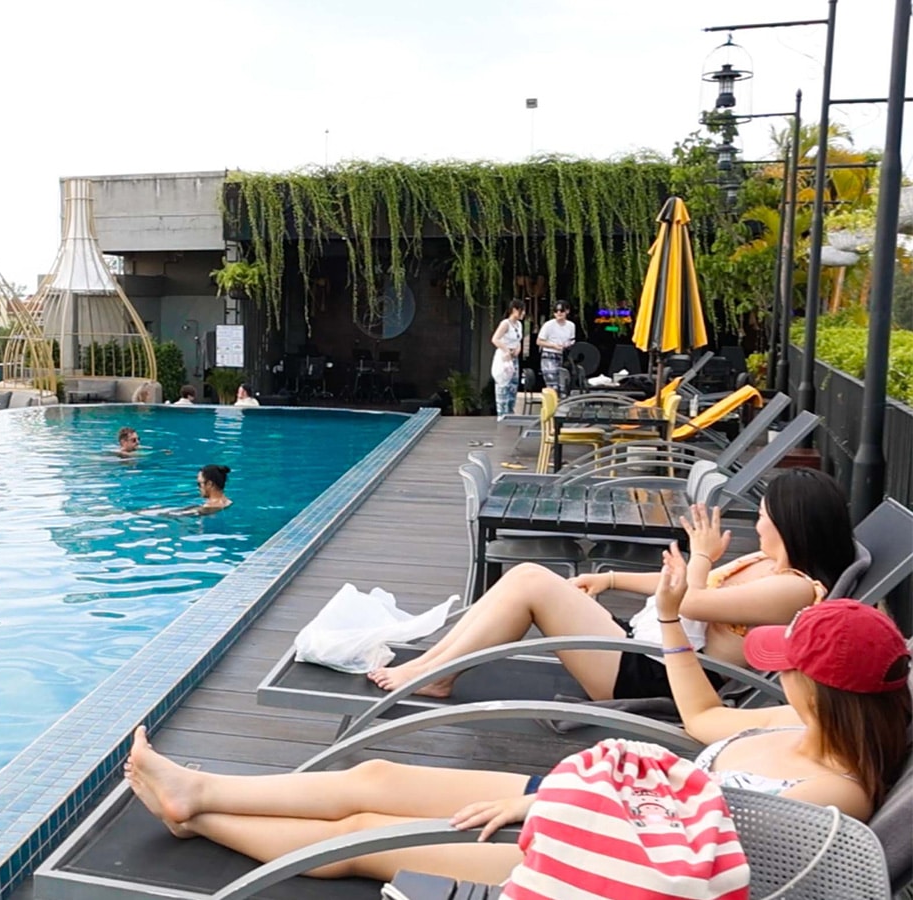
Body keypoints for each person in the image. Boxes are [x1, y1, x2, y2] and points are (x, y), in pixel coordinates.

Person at [125, 593, 911, 884]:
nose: (776, 674)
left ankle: (198, 815)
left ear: (821, 690)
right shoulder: (791, 722)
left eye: (787, 668)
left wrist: (548, 811)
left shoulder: (833, 797)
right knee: (376, 775)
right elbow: (702, 722)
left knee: (367, 836)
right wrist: (670, 618)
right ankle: (202, 787)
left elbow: (697, 848)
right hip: (590, 804)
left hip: (602, 860)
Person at [369, 467, 855, 701]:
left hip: (664, 678)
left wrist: (704, 555)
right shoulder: (763, 562)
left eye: (765, 515)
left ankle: (438, 673)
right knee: (525, 576)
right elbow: (679, 586)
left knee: (531, 582)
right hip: (650, 646)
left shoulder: (795, 589)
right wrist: (610, 578)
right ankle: (434, 665)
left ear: (792, 523)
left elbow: (693, 602)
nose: (759, 522)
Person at [490, 299, 526, 420]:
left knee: (513, 384)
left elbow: (518, 340)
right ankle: (502, 413)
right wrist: (506, 350)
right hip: (504, 356)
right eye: (522, 310)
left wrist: (518, 349)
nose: (523, 313)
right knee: (503, 384)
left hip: (514, 357)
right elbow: (495, 339)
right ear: (515, 310)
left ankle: (510, 411)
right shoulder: (505, 323)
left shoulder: (519, 324)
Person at [536, 302, 576, 392]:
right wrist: (553, 345)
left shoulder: (571, 326)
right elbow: (539, 341)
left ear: (567, 311)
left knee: (562, 384)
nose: (559, 313)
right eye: (556, 311)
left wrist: (567, 345)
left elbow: (572, 340)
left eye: (561, 310)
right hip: (549, 354)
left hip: (562, 355)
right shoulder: (548, 325)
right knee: (552, 384)